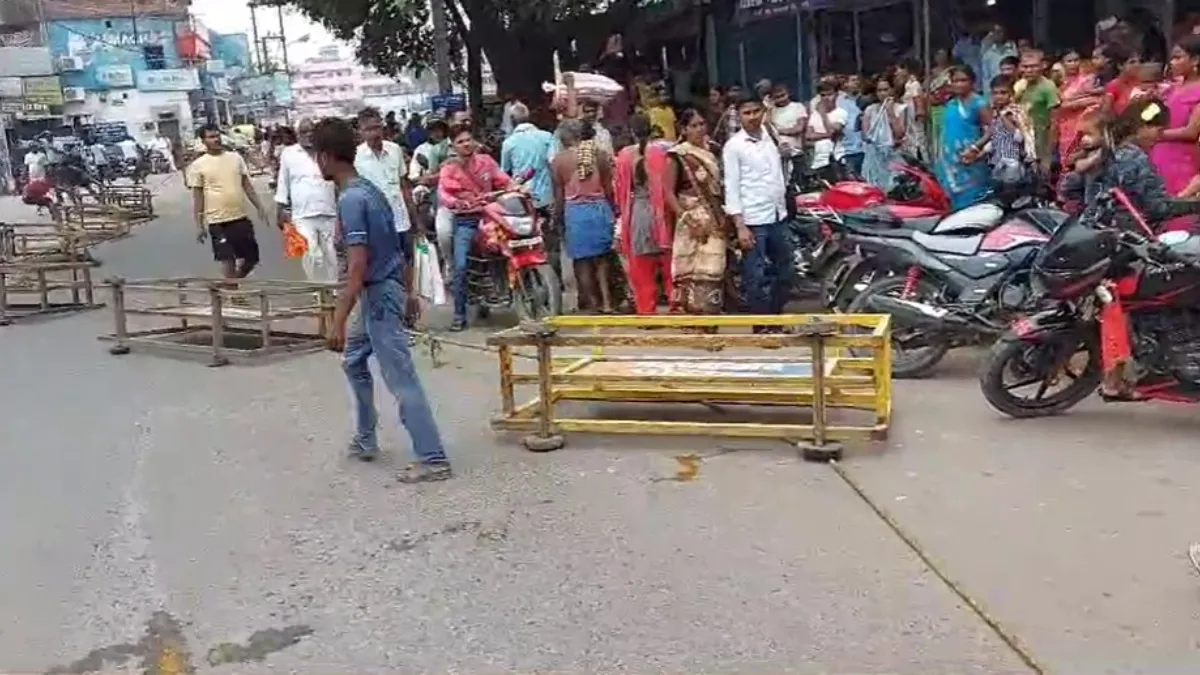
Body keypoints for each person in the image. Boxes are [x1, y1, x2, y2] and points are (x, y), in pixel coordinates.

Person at [310, 118, 451, 482]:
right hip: (383, 290)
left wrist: (337, 320)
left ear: (325, 157)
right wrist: (406, 292)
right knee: (354, 362)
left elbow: (357, 266)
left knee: (401, 378)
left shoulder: (353, 199)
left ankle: (433, 458)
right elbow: (400, 246)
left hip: (376, 295)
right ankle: (365, 438)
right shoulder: (370, 190)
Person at [1060, 97, 1196, 231]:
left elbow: (1070, 188)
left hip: (1089, 232)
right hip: (1122, 238)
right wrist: (1191, 198)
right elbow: (1156, 208)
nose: (1160, 137)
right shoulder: (1134, 158)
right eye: (1159, 130)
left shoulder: (1100, 152)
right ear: (1142, 127)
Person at [722, 93, 791, 327]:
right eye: (746, 113)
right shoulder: (734, 147)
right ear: (739, 116)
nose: (752, 117)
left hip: (777, 214)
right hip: (753, 219)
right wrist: (740, 226)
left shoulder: (770, 135)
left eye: (755, 111)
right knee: (756, 276)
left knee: (785, 272)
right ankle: (762, 326)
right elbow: (731, 187)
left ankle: (776, 319)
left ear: (763, 112)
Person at [439, 126, 514, 331]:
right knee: (461, 266)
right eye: (460, 141)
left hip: (490, 217)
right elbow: (444, 194)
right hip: (465, 221)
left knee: (512, 249)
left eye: (468, 139)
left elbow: (503, 180)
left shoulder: (486, 162)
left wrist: (515, 188)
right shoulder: (448, 169)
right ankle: (459, 314)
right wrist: (456, 203)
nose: (466, 144)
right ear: (453, 146)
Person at [666, 109, 730, 315]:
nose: (699, 129)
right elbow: (668, 192)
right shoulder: (678, 155)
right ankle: (692, 320)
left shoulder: (713, 151)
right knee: (689, 269)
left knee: (713, 269)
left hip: (714, 217)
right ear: (683, 129)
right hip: (691, 219)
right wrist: (687, 219)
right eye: (693, 126)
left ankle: (710, 320)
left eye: (702, 124)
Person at [187, 124, 267, 286]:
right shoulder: (198, 165)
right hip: (217, 220)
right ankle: (232, 292)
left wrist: (260, 206)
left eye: (217, 135)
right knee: (227, 258)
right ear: (203, 141)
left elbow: (246, 185)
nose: (216, 139)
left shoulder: (235, 158)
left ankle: (230, 283)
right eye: (211, 137)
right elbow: (198, 197)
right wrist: (199, 225)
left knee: (251, 259)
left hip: (239, 216)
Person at [552, 119, 617, 314]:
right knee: (602, 261)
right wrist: (613, 210)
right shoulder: (599, 154)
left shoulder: (558, 161)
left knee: (582, 263)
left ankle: (591, 304)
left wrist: (557, 218)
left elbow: (559, 195)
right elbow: (608, 188)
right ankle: (607, 303)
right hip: (599, 209)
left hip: (575, 213)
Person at [614, 114, 672, 314]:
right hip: (662, 213)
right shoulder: (662, 153)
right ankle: (677, 307)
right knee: (669, 265)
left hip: (637, 212)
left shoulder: (624, 155)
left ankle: (646, 311)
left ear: (631, 132)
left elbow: (620, 190)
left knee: (641, 267)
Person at [500, 102, 561, 281]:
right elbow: (554, 163)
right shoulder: (547, 137)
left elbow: (504, 174)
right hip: (548, 197)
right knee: (551, 240)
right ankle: (556, 279)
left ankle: (528, 277)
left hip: (523, 201)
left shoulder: (509, 143)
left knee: (523, 240)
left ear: (511, 121)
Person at [275, 117, 339, 283]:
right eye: (304, 132)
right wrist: (280, 210)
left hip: (329, 210)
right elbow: (283, 182)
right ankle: (317, 288)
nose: (309, 135)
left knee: (331, 253)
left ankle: (332, 289)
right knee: (311, 254)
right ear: (297, 135)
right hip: (302, 213)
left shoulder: (327, 151)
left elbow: (338, 178)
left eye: (312, 131)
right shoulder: (289, 154)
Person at [355, 107, 417, 264]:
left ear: (382, 127)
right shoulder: (356, 157)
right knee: (383, 266)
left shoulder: (395, 150)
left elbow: (404, 186)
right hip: (374, 224)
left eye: (376, 127)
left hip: (400, 219)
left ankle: (406, 289)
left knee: (406, 261)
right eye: (368, 129)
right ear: (361, 132)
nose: (374, 133)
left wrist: (415, 219)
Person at [936, 66, 992, 209]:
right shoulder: (951, 104)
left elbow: (992, 129)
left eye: (963, 80)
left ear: (972, 82)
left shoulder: (979, 103)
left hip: (971, 159)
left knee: (974, 199)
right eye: (955, 81)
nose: (959, 84)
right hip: (950, 161)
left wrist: (975, 148)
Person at [1151, 37, 1200, 201]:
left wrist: (1157, 135)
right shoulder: (1170, 90)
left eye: (1178, 58)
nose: (1172, 62)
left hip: (1182, 159)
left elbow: (1191, 132)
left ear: (1195, 60)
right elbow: (1149, 117)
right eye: (1172, 58)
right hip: (1159, 154)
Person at [969, 75, 1037, 190]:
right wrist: (979, 154)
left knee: (1011, 193)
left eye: (1003, 93)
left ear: (1011, 94)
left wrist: (1004, 117)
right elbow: (996, 138)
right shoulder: (994, 112)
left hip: (1013, 163)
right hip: (997, 162)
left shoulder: (1015, 112)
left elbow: (1020, 138)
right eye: (995, 93)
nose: (999, 96)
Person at [1014, 49, 1060, 174]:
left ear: (1042, 66)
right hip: (1023, 140)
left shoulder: (1048, 87)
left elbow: (1055, 122)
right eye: (1025, 67)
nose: (1029, 70)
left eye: (1033, 66)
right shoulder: (1019, 86)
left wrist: (1047, 156)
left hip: (1042, 140)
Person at [1056, 48, 1104, 160]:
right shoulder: (1059, 82)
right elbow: (1059, 105)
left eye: (1076, 60)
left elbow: (1097, 100)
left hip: (1085, 124)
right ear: (1062, 63)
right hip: (1065, 126)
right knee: (1066, 158)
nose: (1073, 64)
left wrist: (1073, 102)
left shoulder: (1089, 79)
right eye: (1069, 61)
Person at [861, 77, 906, 190]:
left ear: (892, 90)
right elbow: (866, 135)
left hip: (894, 156)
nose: (882, 93)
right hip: (875, 158)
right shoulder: (870, 110)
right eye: (879, 90)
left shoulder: (901, 109)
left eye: (885, 90)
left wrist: (890, 113)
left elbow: (900, 133)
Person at [807, 79, 848, 181]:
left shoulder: (841, 113)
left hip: (835, 161)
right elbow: (808, 136)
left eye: (829, 95)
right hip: (818, 162)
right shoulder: (814, 115)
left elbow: (834, 132)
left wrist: (823, 114)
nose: (826, 98)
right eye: (823, 95)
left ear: (836, 95)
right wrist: (827, 135)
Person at [768, 83, 807, 177]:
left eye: (783, 95)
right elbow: (768, 127)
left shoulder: (798, 106)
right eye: (777, 97)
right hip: (777, 153)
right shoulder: (772, 111)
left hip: (795, 152)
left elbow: (799, 128)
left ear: (788, 93)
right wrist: (768, 108)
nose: (781, 99)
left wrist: (778, 131)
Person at [895, 59, 927, 160]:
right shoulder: (907, 85)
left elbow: (919, 108)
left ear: (906, 70)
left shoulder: (914, 85)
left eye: (899, 69)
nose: (896, 72)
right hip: (908, 125)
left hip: (914, 126)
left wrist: (918, 124)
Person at [1102, 42, 1143, 114]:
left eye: (1139, 61)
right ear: (1120, 66)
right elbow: (1106, 113)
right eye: (1132, 62)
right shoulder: (1113, 86)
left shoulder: (1141, 83)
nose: (1137, 65)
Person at [838, 74, 865, 176]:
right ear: (846, 84)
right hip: (848, 148)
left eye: (858, 80)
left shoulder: (866, 100)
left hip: (865, 147)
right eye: (853, 80)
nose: (856, 82)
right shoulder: (840, 101)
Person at [981, 24, 1018, 92]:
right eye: (994, 32)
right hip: (996, 89)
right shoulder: (988, 53)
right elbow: (986, 77)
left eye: (1000, 31)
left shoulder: (1014, 49)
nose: (997, 34)